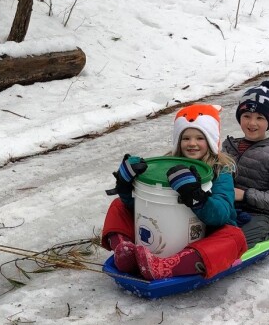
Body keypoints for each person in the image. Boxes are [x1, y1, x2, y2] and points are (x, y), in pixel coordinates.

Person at [102, 103, 248, 281]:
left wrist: (196, 196)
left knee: (235, 237)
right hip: (164, 229)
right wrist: (125, 186)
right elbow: (141, 207)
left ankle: (166, 266)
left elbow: (222, 214)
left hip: (205, 235)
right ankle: (124, 250)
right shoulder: (166, 166)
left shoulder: (220, 171)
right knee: (118, 206)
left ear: (210, 140)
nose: (192, 143)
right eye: (186, 138)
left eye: (199, 138)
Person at [222, 79, 269, 247]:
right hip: (228, 207)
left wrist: (245, 195)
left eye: (260, 117)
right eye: (246, 116)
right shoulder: (229, 147)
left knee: (233, 243)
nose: (252, 123)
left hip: (261, 214)